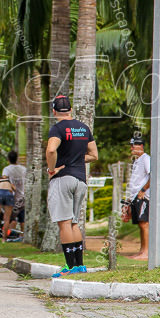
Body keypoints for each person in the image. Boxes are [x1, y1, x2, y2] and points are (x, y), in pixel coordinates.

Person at [45, 95, 99, 277]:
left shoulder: (57, 128)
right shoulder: (84, 128)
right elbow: (94, 155)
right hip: (80, 180)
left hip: (63, 179)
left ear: (54, 111)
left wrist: (52, 169)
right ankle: (79, 266)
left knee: (64, 223)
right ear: (70, 109)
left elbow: (51, 149)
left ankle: (68, 267)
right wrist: (75, 159)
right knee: (74, 222)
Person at [123, 135, 151, 261]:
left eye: (133, 146)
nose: (131, 148)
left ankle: (146, 252)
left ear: (141, 146)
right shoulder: (137, 161)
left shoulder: (146, 159)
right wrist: (128, 201)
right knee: (140, 224)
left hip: (143, 196)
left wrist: (143, 190)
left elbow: (153, 174)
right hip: (135, 197)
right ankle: (141, 251)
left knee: (144, 223)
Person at [2, 150, 28, 239]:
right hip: (23, 197)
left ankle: (8, 235)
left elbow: (4, 180)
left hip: (11, 198)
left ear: (8, 159)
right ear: (17, 158)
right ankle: (23, 236)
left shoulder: (7, 169)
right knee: (22, 219)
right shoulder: (23, 169)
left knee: (11, 219)